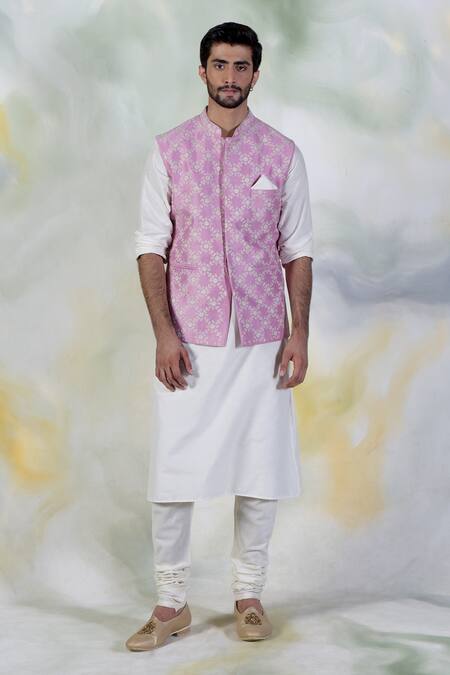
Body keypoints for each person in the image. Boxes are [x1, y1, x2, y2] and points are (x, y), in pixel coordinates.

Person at [126, 21, 313, 651]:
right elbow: (150, 248)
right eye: (220, 65)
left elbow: (298, 251)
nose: (230, 77)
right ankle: (170, 603)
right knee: (173, 471)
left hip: (262, 338)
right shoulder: (169, 151)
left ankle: (249, 595)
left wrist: (299, 334)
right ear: (202, 70)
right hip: (190, 339)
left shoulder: (282, 154)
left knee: (260, 467)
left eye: (241, 66)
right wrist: (163, 334)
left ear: (256, 73)